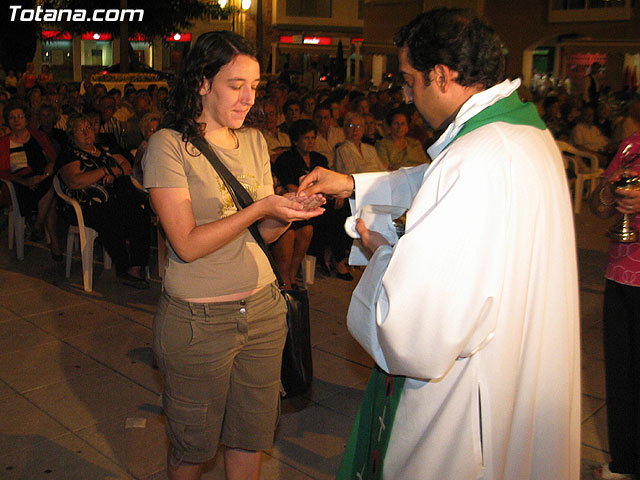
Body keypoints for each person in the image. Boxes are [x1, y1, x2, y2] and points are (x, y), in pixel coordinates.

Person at [298, 8, 580, 479]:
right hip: (517, 364)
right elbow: (434, 180)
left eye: (410, 81)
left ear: (443, 76)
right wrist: (351, 184)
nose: (406, 96)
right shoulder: (518, 133)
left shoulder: (475, 159)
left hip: (467, 399)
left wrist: (381, 255)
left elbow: (414, 332)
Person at [141, 31, 324, 480]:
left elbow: (263, 233)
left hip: (262, 311)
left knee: (250, 438)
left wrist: (287, 212)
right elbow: (186, 244)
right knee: (193, 448)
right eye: (236, 85)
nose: (249, 98)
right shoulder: (168, 145)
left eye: (255, 86)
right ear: (203, 82)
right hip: (199, 320)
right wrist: (260, 207)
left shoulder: (255, 142)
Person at [590, 131, 640, 480]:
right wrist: (609, 191)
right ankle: (625, 461)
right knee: (622, 374)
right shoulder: (631, 144)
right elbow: (598, 207)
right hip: (622, 273)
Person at [57, 113, 151, 288]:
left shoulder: (105, 148)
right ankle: (123, 267)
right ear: (72, 135)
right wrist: (104, 171)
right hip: (87, 204)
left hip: (116, 197)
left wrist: (113, 174)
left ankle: (136, 267)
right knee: (110, 216)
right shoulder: (69, 154)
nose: (87, 133)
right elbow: (75, 181)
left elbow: (127, 166)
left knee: (140, 214)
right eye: (80, 130)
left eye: (89, 128)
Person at [0, 100, 62, 260]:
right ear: (7, 121)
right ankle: (50, 238)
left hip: (43, 178)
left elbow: (53, 160)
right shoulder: (4, 142)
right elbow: (3, 173)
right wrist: (26, 182)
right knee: (50, 196)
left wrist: (45, 173)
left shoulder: (38, 136)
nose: (16, 120)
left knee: (50, 184)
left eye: (20, 116)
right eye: (12, 117)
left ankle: (38, 226)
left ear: (27, 118)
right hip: (18, 184)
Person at [272, 119, 328, 289]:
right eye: (306, 138)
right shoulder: (286, 159)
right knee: (289, 234)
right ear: (296, 140)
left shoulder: (320, 159)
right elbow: (292, 189)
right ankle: (284, 280)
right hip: (291, 206)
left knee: (308, 230)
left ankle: (293, 275)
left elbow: (327, 186)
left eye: (313, 138)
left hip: (315, 206)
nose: (310, 142)